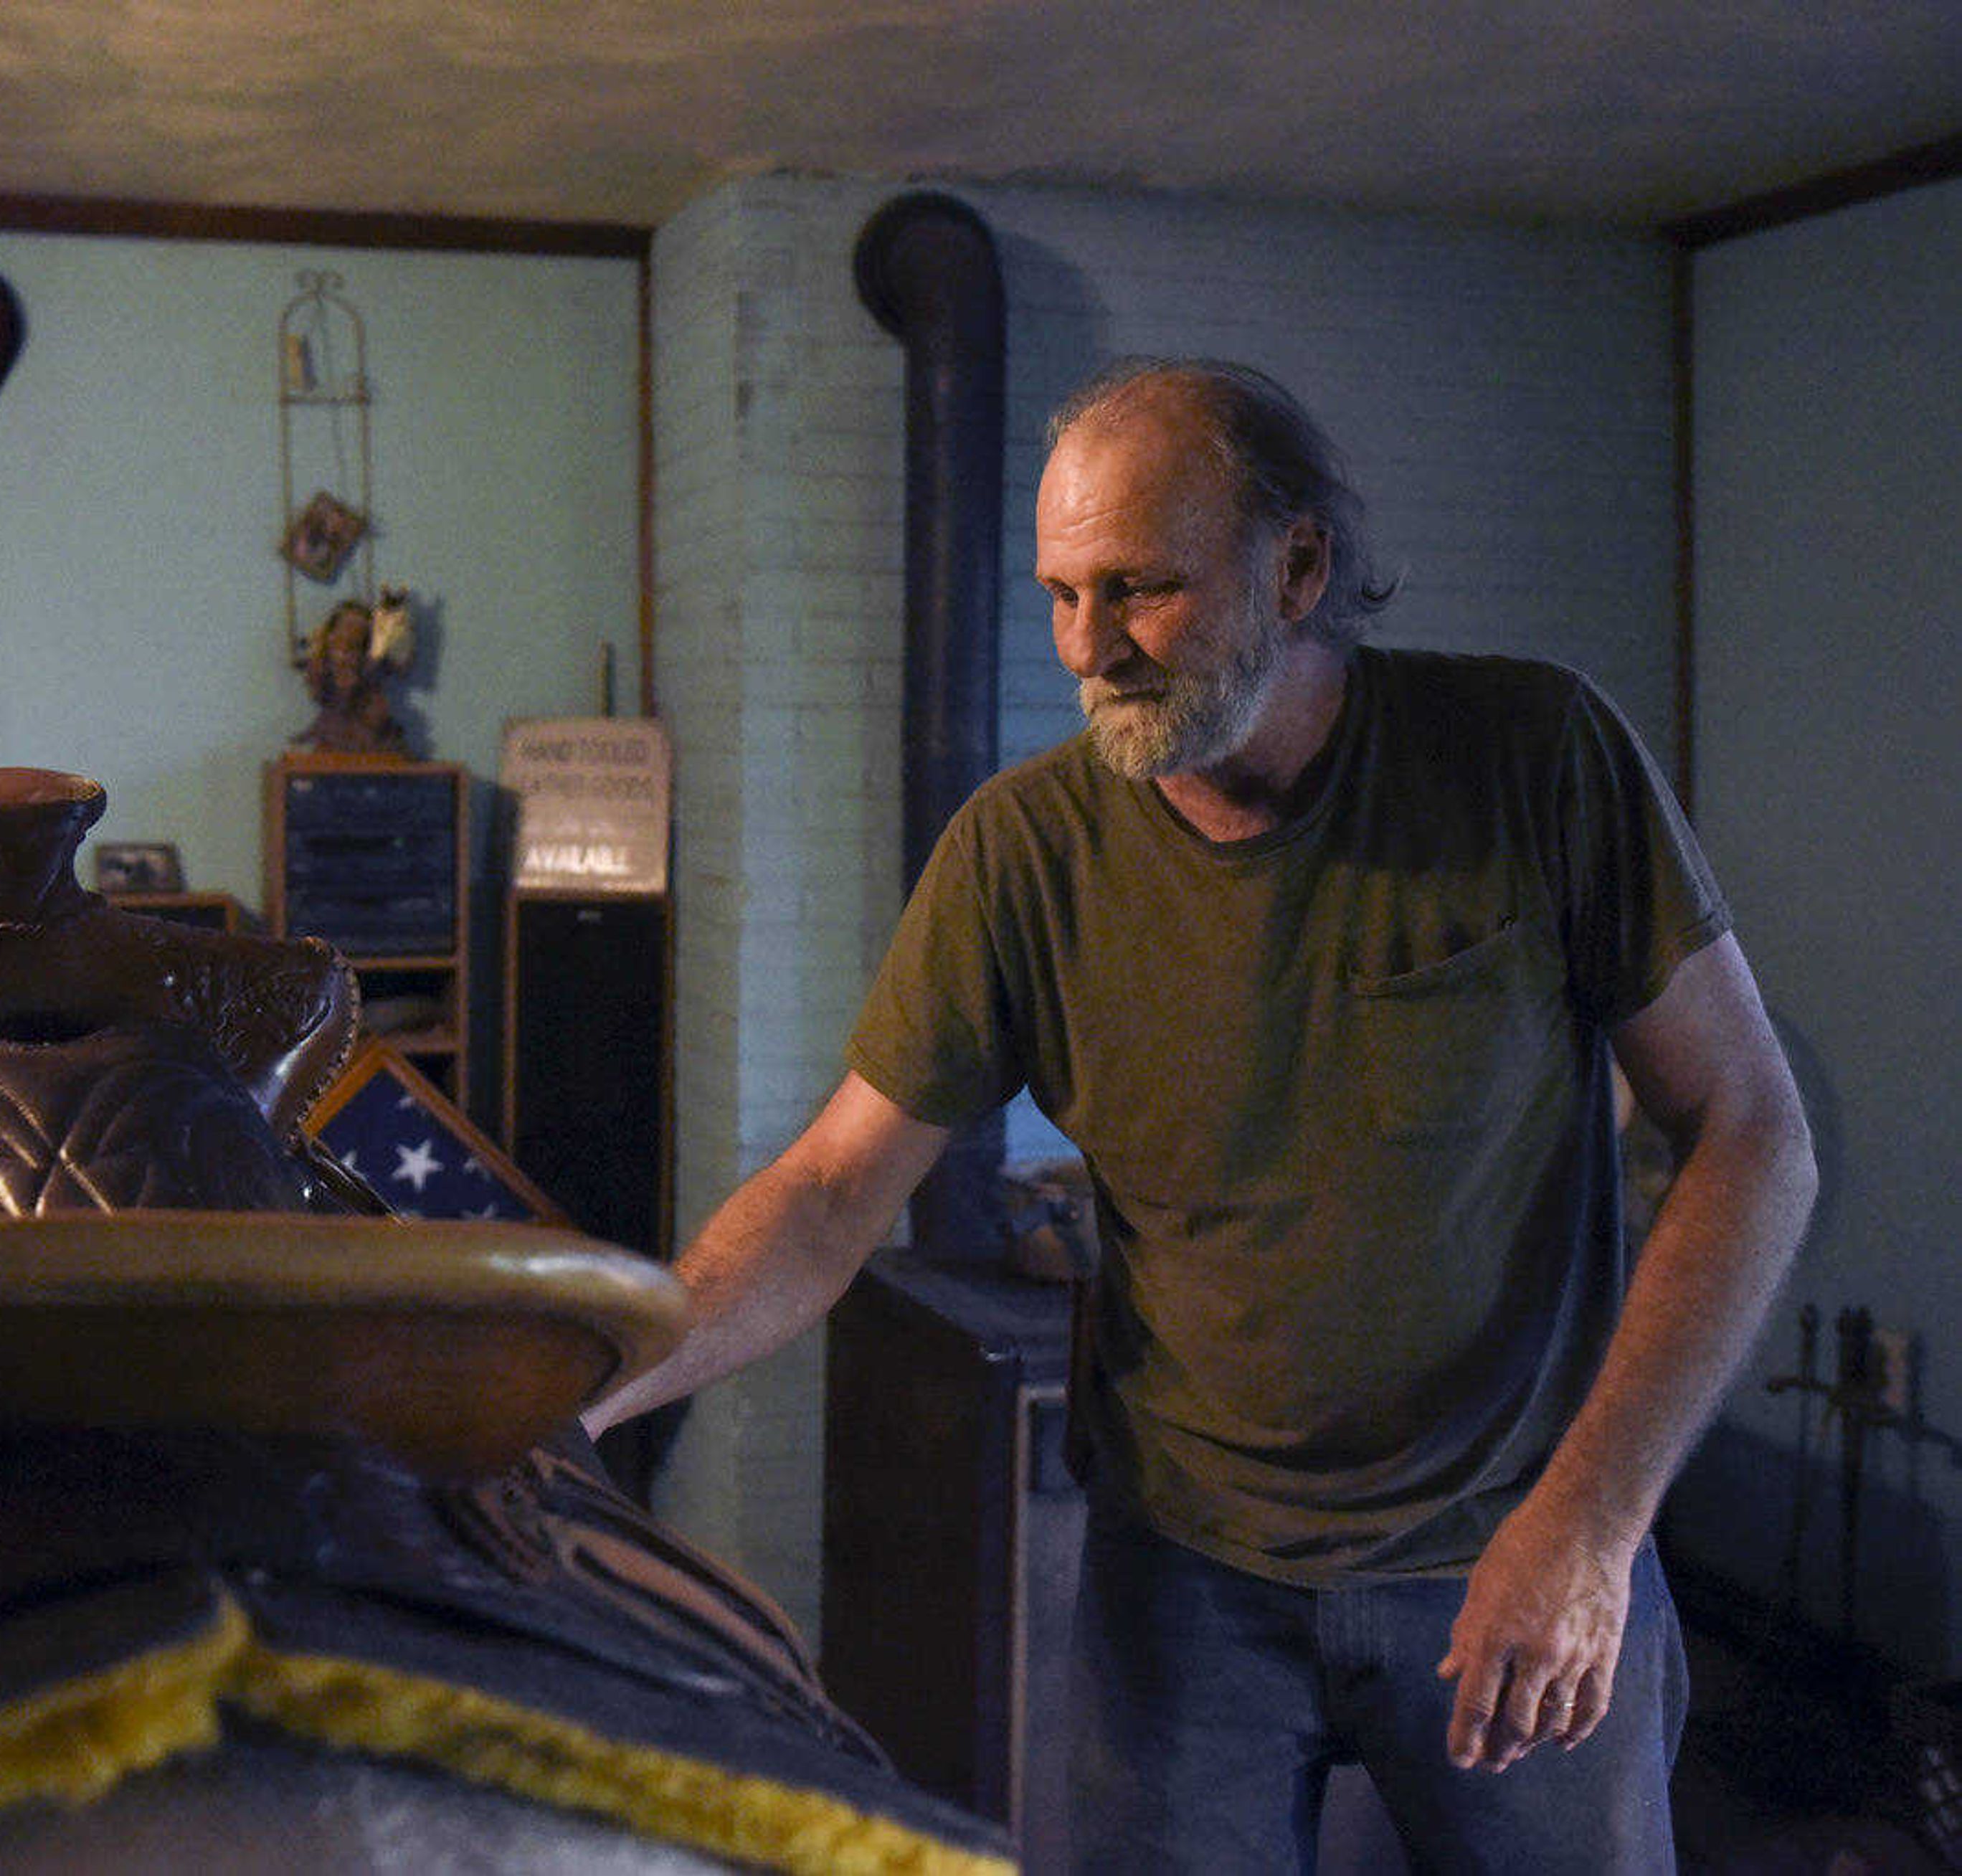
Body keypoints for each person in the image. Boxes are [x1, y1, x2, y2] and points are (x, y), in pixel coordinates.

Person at [584, 359, 1816, 1870]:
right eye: (1057, 596)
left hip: (1516, 1538)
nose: (1086, 650)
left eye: (1139, 591)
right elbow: (837, 1188)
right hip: (1186, 1582)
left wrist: (1595, 1524)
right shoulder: (1021, 853)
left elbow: (1754, 1131)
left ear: (1298, 567)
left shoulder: (1531, 760)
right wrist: (586, 1385)